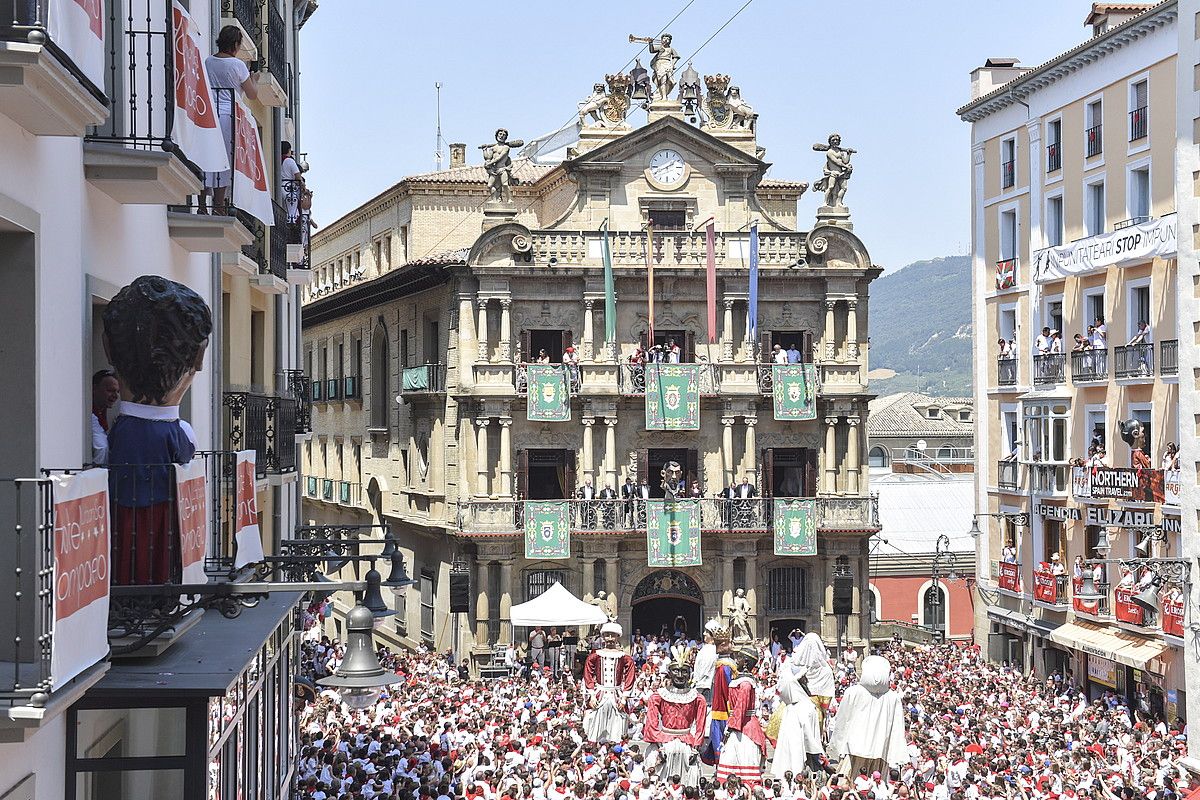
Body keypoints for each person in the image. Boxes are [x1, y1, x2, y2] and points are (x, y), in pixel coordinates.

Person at [201, 26, 258, 214]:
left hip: (209, 114)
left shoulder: (209, 61)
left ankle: (202, 203)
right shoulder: (238, 65)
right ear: (235, 44)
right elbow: (252, 93)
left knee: (206, 156)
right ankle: (218, 205)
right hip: (228, 116)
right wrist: (254, 78)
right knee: (224, 159)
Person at [715, 646, 767, 786]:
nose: (735, 661)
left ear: (745, 661)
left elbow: (740, 708)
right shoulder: (742, 681)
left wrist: (731, 726)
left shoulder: (745, 684)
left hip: (743, 728)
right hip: (739, 724)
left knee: (738, 759)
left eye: (738, 658)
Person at [90, 369, 120, 465]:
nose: (115, 395)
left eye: (117, 391)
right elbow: (101, 447)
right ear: (94, 389)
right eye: (110, 390)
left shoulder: (101, 409)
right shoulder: (90, 415)